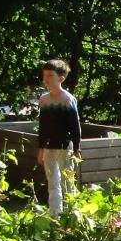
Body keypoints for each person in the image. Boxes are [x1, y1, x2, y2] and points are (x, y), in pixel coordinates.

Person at [37, 59, 81, 218]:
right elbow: (42, 128)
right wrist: (41, 149)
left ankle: (72, 216)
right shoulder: (44, 100)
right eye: (44, 75)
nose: (46, 79)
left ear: (61, 78)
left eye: (50, 75)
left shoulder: (67, 99)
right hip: (49, 146)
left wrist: (77, 148)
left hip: (65, 147)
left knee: (67, 182)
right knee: (52, 183)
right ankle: (55, 215)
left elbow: (75, 126)